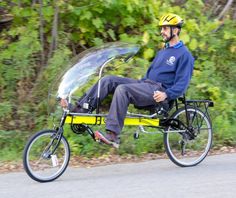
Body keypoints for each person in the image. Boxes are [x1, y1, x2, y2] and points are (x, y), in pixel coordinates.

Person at [60, 13, 194, 148]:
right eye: (161, 29)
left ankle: (112, 135)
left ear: (175, 30)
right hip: (146, 85)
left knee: (122, 90)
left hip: (159, 93)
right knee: (109, 80)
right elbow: (150, 75)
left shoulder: (184, 55)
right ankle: (81, 109)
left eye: (165, 29)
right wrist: (138, 84)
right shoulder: (163, 51)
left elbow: (182, 84)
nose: (161, 32)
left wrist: (166, 95)